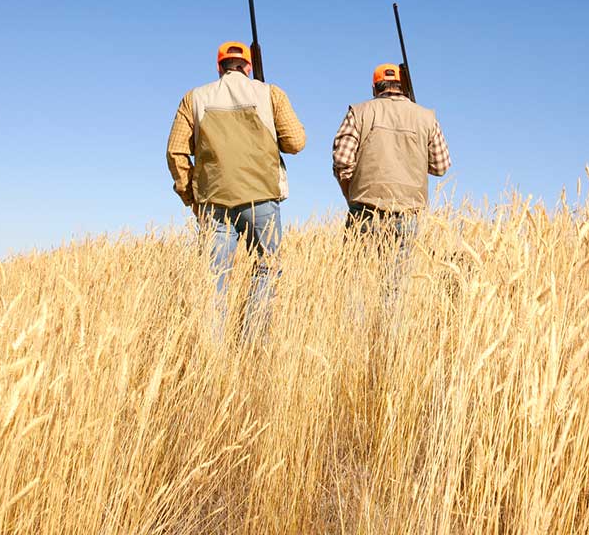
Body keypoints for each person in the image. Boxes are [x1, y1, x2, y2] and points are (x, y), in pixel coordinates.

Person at [166, 42, 306, 338]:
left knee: (214, 277)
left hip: (214, 201)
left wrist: (190, 196)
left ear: (219, 67)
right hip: (262, 196)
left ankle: (213, 353)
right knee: (266, 269)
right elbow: (296, 142)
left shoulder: (195, 98)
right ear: (249, 67)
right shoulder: (270, 94)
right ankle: (252, 343)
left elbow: (176, 151)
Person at [332, 63, 450, 295]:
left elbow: (342, 161)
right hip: (407, 214)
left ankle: (355, 331)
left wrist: (350, 194)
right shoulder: (426, 117)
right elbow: (440, 166)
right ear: (403, 86)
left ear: (375, 88)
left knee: (356, 283)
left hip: (364, 210)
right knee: (396, 286)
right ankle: (391, 331)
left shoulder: (359, 111)